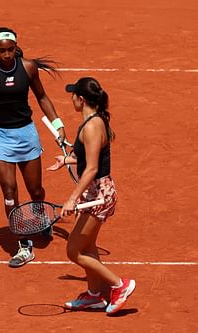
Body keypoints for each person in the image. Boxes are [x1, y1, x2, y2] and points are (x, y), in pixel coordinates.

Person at [0, 24, 66, 268]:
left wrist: (58, 126)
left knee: (36, 190)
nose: (6, 55)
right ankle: (24, 244)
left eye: (10, 49)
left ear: (16, 48)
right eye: (1, 50)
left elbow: (42, 97)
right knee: (9, 191)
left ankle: (40, 216)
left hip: (26, 135)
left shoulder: (28, 67)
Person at [47, 77, 135, 315]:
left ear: (81, 99)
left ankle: (119, 285)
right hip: (94, 192)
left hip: (99, 195)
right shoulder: (93, 121)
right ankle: (95, 296)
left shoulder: (92, 126)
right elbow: (88, 158)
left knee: (74, 251)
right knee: (89, 246)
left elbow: (93, 168)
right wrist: (66, 159)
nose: (71, 98)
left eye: (73, 94)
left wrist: (72, 199)